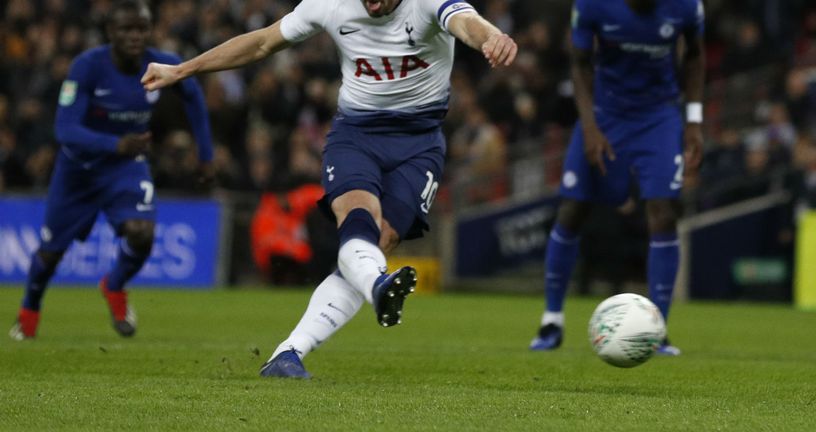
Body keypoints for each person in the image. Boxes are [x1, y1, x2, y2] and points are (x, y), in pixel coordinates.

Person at [142, 0, 517, 378]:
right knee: (359, 220)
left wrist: (492, 37)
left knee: (381, 240)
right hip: (357, 135)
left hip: (419, 144)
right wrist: (183, 69)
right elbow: (262, 42)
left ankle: (288, 353)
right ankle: (376, 285)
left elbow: (466, 23)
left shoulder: (427, 3)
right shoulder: (330, 3)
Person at [9, 0, 213, 340]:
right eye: (126, 29)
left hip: (126, 167)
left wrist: (205, 155)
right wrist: (115, 144)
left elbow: (192, 94)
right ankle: (29, 312)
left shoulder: (161, 63)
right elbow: (65, 129)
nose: (135, 36)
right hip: (79, 170)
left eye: (142, 29)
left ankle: (114, 284)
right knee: (50, 254)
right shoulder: (87, 67)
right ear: (110, 32)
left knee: (142, 233)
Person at [530, 0, 705, 355]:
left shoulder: (686, 5)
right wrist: (589, 126)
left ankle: (658, 330)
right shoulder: (593, 4)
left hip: (659, 115)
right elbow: (579, 63)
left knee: (664, 212)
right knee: (573, 209)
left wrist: (694, 120)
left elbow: (695, 55)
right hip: (605, 112)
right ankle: (552, 321)